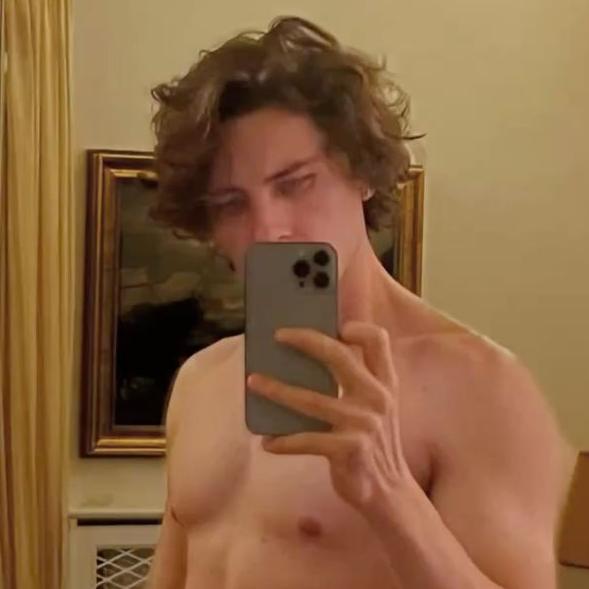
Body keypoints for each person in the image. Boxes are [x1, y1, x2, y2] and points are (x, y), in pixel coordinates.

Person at [146, 16, 568, 589]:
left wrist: (389, 492)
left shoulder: (483, 387)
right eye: (230, 204)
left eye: (295, 183)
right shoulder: (201, 380)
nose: (268, 229)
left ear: (363, 174)